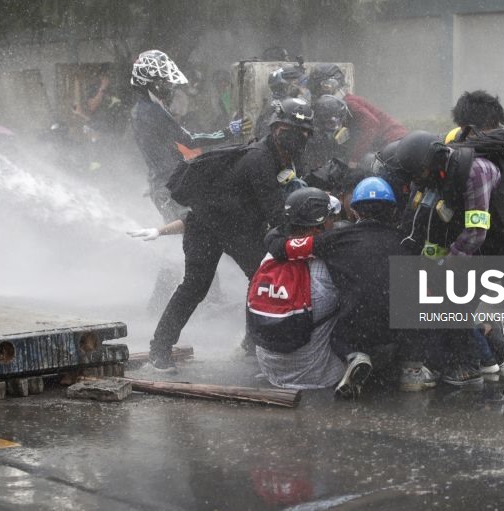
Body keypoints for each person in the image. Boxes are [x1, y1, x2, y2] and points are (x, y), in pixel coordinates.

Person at [396, 95, 504, 399]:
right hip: (496, 229)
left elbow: (476, 232)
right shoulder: (447, 166)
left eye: (420, 174)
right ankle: (465, 366)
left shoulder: (476, 170)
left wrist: (450, 261)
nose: (420, 180)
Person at [147, 97, 315, 371]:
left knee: (259, 276)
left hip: (239, 227)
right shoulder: (260, 159)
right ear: (275, 129)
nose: (297, 138)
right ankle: (159, 349)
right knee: (195, 286)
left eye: (303, 133)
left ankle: (252, 342)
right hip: (207, 226)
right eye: (290, 131)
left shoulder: (290, 157)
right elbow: (276, 213)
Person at [266, 177, 437, 397]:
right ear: (393, 211)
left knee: (338, 334)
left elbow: (282, 249)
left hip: (358, 326)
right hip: (398, 328)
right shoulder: (406, 243)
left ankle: (354, 355)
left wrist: (273, 233)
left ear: (355, 212)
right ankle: (412, 371)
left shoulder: (335, 239)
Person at [130, 49, 251, 225]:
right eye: (163, 81)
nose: (169, 85)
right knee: (195, 230)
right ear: (149, 83)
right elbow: (189, 140)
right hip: (169, 187)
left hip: (166, 183)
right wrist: (228, 132)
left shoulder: (144, 108)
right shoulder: (151, 111)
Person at [250, 188, 346, 389]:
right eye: (331, 217)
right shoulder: (329, 263)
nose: (334, 222)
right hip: (318, 375)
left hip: (271, 371)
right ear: (318, 227)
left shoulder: (269, 257)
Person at [307, 64, 407, 167]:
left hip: (393, 141)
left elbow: (371, 125)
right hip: (392, 143)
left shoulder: (348, 103)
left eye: (321, 88)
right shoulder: (344, 103)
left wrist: (354, 159)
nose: (318, 94)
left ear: (332, 85)